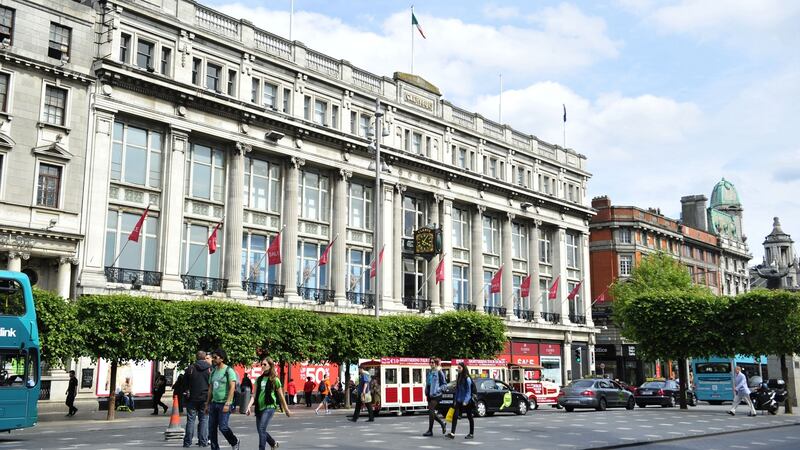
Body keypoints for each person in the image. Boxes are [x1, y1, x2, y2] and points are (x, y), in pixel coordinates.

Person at [247, 357, 292, 450]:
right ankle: (273, 443)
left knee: (262, 429)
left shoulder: (275, 380)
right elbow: (254, 395)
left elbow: (281, 396)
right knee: (260, 430)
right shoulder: (258, 379)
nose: (262, 366)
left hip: (269, 407)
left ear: (270, 366)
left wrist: (286, 409)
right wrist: (248, 406)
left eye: (265, 364)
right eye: (261, 364)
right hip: (259, 408)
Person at [205, 349, 240, 450]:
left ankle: (234, 441)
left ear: (222, 358)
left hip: (224, 403)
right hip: (214, 403)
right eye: (213, 357)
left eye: (215, 357)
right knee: (211, 429)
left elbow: (232, 387)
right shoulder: (213, 372)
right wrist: (207, 404)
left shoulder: (228, 371)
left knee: (223, 427)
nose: (213, 360)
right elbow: (210, 389)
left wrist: (228, 403)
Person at [183, 351, 212, 448]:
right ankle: (203, 441)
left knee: (190, 420)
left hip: (192, 398)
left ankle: (187, 442)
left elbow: (185, 384)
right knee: (204, 419)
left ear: (196, 357)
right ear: (205, 358)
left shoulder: (190, 368)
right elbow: (211, 384)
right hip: (205, 398)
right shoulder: (209, 369)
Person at [447, 362, 474, 440]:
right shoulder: (459, 377)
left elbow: (469, 391)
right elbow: (457, 390)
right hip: (459, 400)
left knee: (469, 416)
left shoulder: (467, 378)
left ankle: (471, 433)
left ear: (463, 368)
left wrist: (466, 401)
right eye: (457, 368)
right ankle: (452, 433)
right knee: (455, 416)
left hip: (467, 401)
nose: (458, 369)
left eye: (459, 368)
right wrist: (455, 400)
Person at [423, 358, 446, 436]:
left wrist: (438, 390)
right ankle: (442, 424)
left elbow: (444, 384)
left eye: (433, 362)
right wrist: (426, 390)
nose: (431, 364)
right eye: (430, 362)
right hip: (429, 393)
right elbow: (428, 383)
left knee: (431, 410)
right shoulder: (429, 372)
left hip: (436, 394)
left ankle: (430, 430)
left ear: (436, 363)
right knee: (431, 412)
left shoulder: (439, 372)